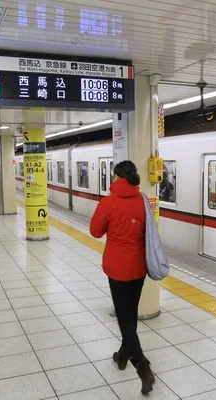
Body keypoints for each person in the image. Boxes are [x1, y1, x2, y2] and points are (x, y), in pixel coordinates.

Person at [89, 160, 155, 395]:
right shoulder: (143, 201)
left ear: (117, 177)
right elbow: (149, 229)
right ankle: (122, 355)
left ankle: (142, 367)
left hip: (117, 268)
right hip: (138, 267)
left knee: (124, 319)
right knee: (131, 312)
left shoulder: (108, 203)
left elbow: (95, 232)